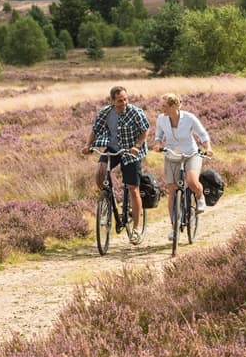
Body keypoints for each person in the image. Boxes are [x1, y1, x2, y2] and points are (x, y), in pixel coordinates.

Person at [81, 85, 151, 244]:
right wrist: (88, 146)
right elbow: (95, 130)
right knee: (100, 170)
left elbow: (145, 130)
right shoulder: (105, 113)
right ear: (112, 101)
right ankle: (106, 195)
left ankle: (137, 230)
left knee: (133, 189)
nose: (124, 102)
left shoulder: (135, 112)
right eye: (120, 101)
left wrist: (137, 146)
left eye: (125, 99)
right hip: (113, 148)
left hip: (131, 150)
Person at [149, 92, 212, 242]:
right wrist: (158, 144)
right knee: (172, 190)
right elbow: (158, 136)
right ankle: (174, 227)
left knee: (191, 181)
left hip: (191, 154)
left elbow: (202, 135)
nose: (161, 109)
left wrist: (208, 147)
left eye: (164, 106)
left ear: (173, 106)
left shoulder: (189, 118)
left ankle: (199, 196)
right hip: (171, 155)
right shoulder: (161, 119)